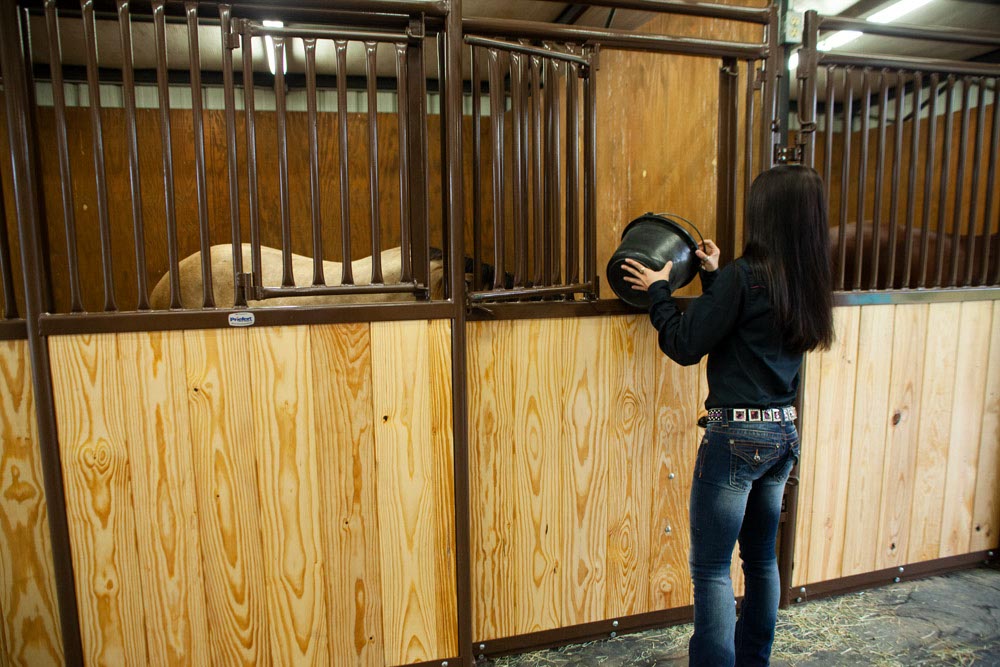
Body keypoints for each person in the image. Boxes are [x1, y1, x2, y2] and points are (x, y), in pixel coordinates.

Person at [620, 164, 834, 667]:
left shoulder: (746, 276)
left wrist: (658, 290)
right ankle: (753, 661)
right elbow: (750, 327)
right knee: (761, 560)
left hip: (735, 437)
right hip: (783, 434)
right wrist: (714, 277)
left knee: (713, 569)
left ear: (765, 214)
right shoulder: (804, 282)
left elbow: (685, 344)